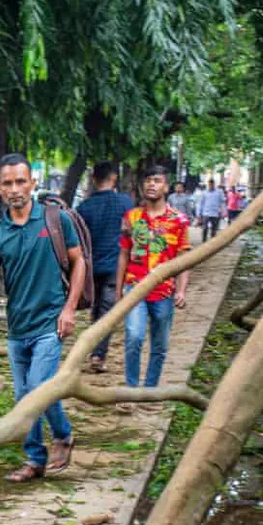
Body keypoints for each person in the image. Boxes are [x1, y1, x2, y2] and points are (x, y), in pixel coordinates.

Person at [0, 153, 86, 482]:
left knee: (38, 388)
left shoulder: (55, 221)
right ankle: (34, 459)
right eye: (8, 183)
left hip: (49, 324)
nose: (15, 189)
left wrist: (69, 309)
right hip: (16, 328)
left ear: (32, 183)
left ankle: (63, 435)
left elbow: (79, 262)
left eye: (20, 181)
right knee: (22, 396)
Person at [115, 165, 191, 409]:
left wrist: (181, 290)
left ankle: (149, 393)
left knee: (159, 345)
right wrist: (118, 291)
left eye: (157, 180)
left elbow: (183, 260)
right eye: (148, 180)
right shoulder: (132, 217)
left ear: (166, 187)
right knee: (134, 337)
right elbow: (124, 254)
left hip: (164, 292)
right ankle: (130, 392)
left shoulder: (178, 221)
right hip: (134, 287)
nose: (151, 185)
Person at [74, 161, 133, 373]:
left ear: (93, 180)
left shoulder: (84, 208)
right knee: (105, 311)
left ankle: (94, 348)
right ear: (114, 178)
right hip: (114, 266)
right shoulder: (125, 203)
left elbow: (79, 240)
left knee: (98, 308)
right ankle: (98, 355)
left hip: (91, 267)